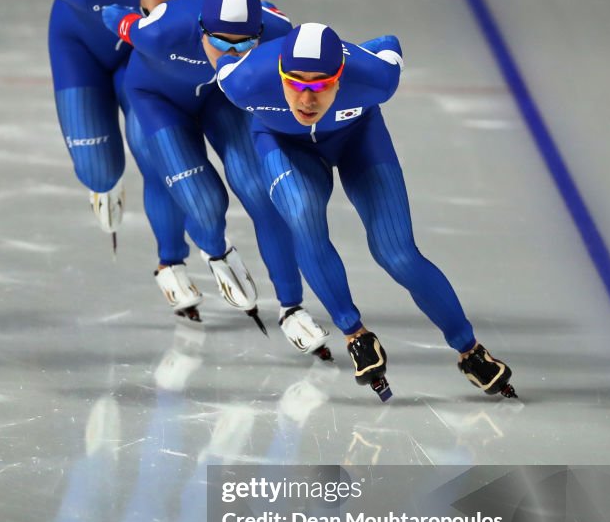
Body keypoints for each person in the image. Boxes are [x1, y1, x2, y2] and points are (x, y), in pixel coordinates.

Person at [209, 20, 516, 400]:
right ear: (279, 75)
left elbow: (388, 43)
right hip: (284, 146)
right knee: (302, 213)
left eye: (320, 85)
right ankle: (355, 333)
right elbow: (220, 58)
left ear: (341, 76)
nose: (306, 99)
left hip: (358, 139)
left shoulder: (376, 79)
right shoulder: (246, 81)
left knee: (397, 253)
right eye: (295, 83)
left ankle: (470, 350)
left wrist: (356, 51)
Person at [101, 0, 332, 357]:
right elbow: (114, 17)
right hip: (158, 102)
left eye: (244, 45)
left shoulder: (278, 31)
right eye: (222, 42)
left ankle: (292, 307)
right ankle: (212, 251)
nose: (231, 53)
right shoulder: (163, 29)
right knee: (204, 201)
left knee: (260, 191)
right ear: (201, 30)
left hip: (220, 98)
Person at [32, 0, 224, 318]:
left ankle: (170, 261)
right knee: (98, 171)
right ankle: (103, 184)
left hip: (134, 61)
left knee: (155, 154)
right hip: (79, 52)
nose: (171, 3)